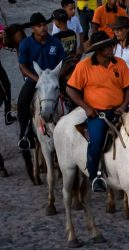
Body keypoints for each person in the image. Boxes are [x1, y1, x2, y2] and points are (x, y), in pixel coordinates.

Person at [65, 31, 129, 192]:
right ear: (98, 50)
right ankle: (94, 176)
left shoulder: (120, 64)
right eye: (107, 46)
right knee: (96, 142)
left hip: (120, 111)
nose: (112, 47)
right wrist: (86, 108)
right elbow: (70, 90)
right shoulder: (84, 66)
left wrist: (124, 105)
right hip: (97, 114)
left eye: (112, 44)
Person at [17, 12, 66, 151]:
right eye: (39, 26)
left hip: (54, 77)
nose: (43, 28)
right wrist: (35, 78)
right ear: (33, 28)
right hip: (35, 78)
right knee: (22, 102)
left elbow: (64, 62)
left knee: (72, 94)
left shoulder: (55, 42)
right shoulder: (25, 44)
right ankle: (25, 134)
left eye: (44, 25)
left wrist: (56, 76)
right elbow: (22, 65)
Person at [0, 27, 16, 125]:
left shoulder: (2, 28)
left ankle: (8, 115)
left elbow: (6, 43)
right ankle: (7, 116)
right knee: (4, 90)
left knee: (6, 87)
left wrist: (4, 37)